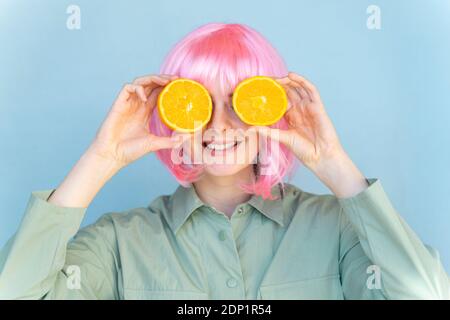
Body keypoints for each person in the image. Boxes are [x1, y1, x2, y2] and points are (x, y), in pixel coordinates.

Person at [0, 23, 448, 300]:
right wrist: (101, 158)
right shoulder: (121, 242)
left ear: (272, 109)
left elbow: (425, 295)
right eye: (198, 102)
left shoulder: (337, 232)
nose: (219, 125)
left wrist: (332, 161)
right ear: (172, 111)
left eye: (241, 102)